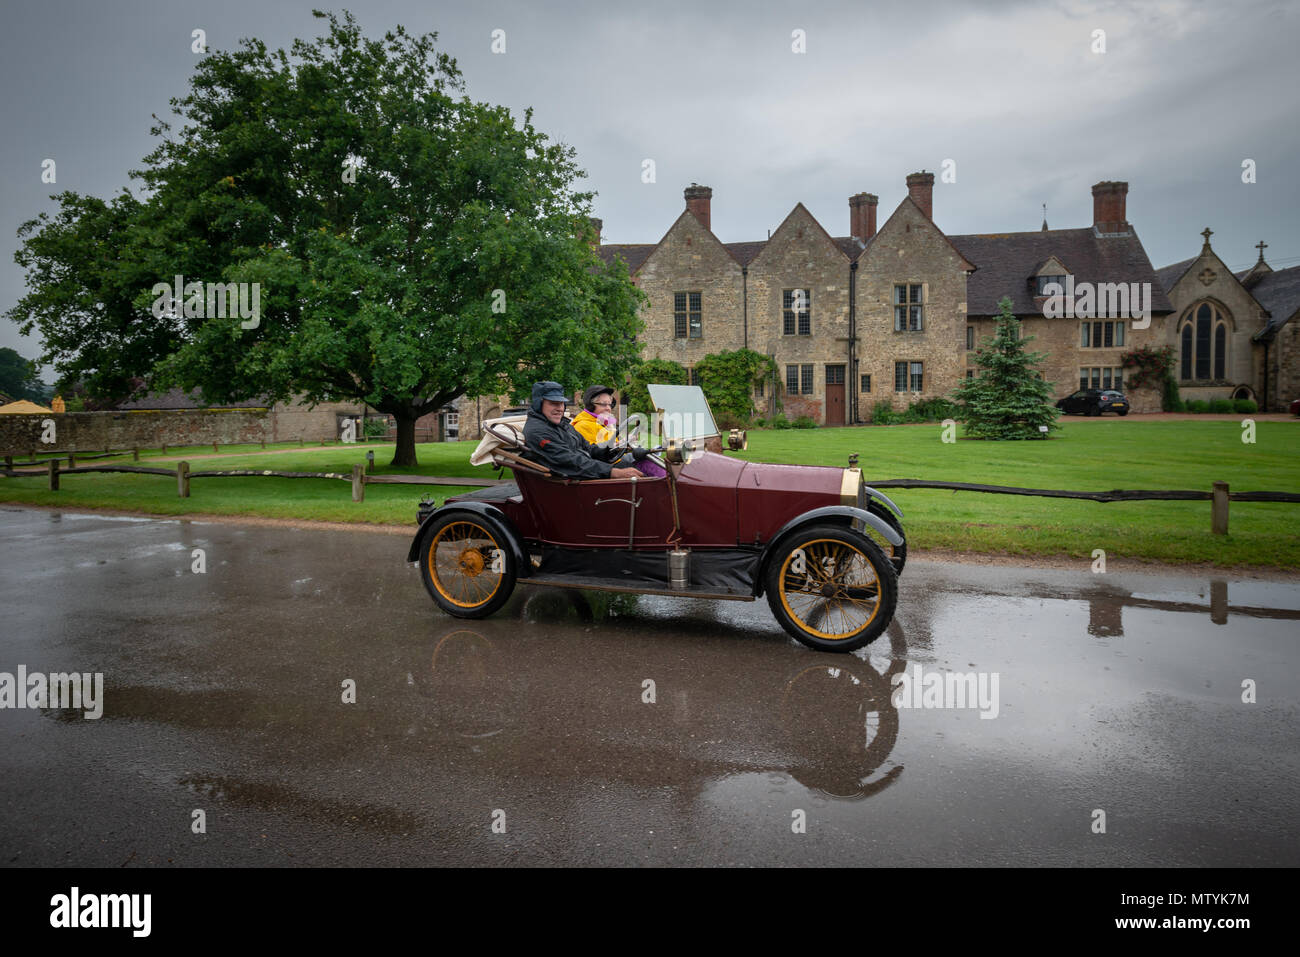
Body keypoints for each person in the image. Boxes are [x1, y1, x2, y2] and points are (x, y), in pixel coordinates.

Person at [523, 381, 642, 480]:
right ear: (539, 404)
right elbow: (568, 460)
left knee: (637, 469)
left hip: (586, 473)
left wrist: (614, 449)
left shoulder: (563, 425)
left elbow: (589, 448)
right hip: (572, 483)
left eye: (561, 404)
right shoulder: (538, 432)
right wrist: (612, 472)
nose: (560, 409)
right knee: (637, 478)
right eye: (553, 403)